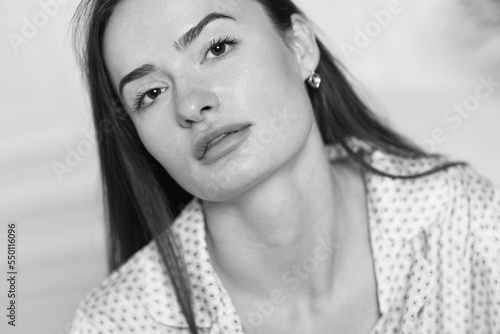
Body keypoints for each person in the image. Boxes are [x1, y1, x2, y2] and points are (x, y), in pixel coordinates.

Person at [68, 0, 500, 333]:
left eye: (217, 48)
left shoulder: (462, 217)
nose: (191, 105)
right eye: (151, 93)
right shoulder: (118, 323)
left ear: (300, 47)